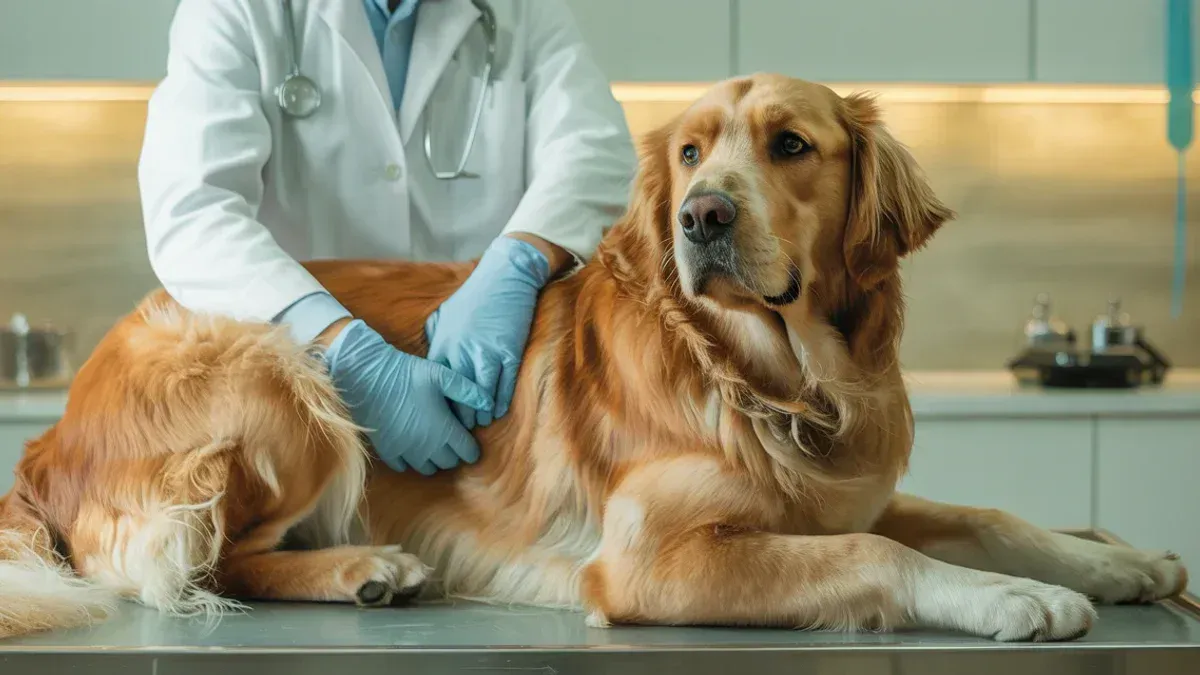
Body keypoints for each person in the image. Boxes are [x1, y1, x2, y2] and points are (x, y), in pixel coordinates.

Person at [137, 0, 636, 476]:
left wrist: (520, 259)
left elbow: (595, 148)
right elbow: (193, 211)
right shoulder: (234, 9)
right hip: (301, 390)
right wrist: (340, 350)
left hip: (482, 391)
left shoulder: (522, 8)